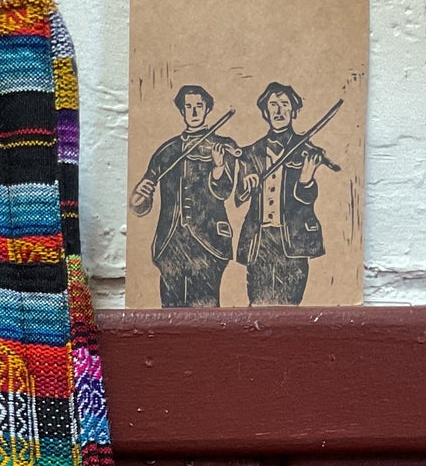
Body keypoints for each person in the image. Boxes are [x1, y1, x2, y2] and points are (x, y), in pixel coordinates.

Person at [130, 84, 236, 308]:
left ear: (207, 109)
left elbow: (224, 191)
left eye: (199, 106)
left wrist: (218, 167)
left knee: (206, 311)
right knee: (170, 312)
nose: (194, 112)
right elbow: (139, 204)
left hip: (208, 243)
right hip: (170, 242)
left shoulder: (222, 146)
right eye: (189, 107)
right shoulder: (166, 151)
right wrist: (142, 195)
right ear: (182, 111)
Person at [233, 82, 326, 307]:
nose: (278, 111)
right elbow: (238, 198)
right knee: (258, 305)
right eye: (273, 105)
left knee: (290, 309)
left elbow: (306, 201)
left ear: (293, 112)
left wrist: (306, 179)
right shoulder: (250, 153)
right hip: (260, 242)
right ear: (265, 112)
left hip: (293, 242)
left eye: (285, 105)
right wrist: (247, 184)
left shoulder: (305, 150)